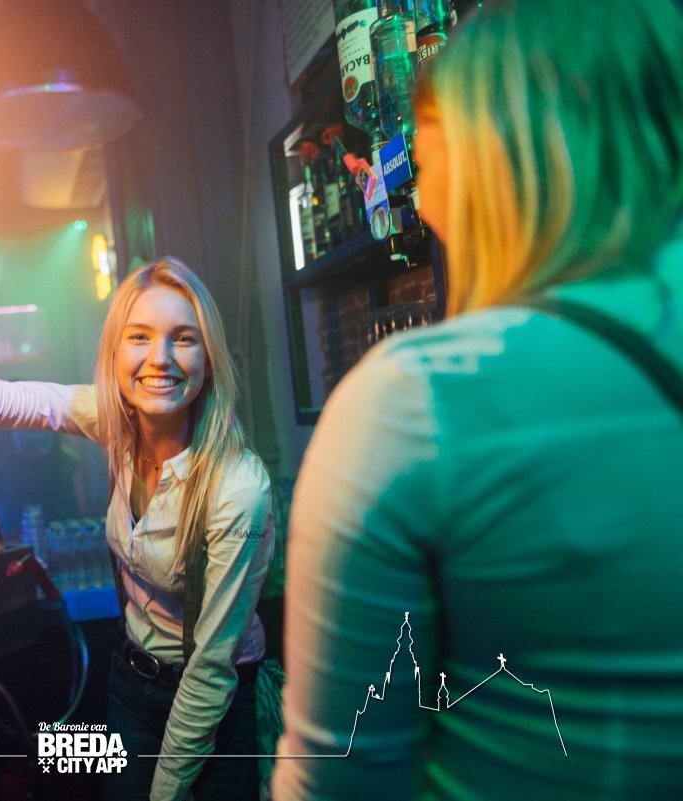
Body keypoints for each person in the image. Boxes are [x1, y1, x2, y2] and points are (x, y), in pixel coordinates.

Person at [274, 1, 683, 798]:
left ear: (495, 164)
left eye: (426, 164)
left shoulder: (413, 406)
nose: (421, 202)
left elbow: (338, 781)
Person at [0, 258, 274, 801]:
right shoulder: (120, 423)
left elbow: (210, 668)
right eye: (139, 336)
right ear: (115, 353)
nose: (160, 357)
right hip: (131, 683)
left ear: (208, 360)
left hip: (217, 702)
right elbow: (6, 400)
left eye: (184, 339)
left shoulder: (239, 487)